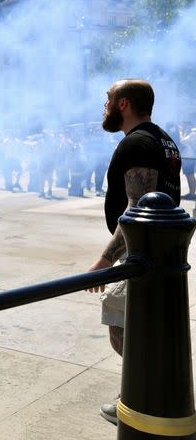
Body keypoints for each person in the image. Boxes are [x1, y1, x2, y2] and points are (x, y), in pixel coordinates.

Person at [85, 79, 181, 426]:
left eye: (108, 98)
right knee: (136, 327)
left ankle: (144, 396)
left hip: (141, 254)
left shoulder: (136, 144)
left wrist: (106, 260)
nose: (105, 105)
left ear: (123, 104)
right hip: (163, 252)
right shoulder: (164, 140)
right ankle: (151, 393)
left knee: (125, 329)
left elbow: (139, 208)